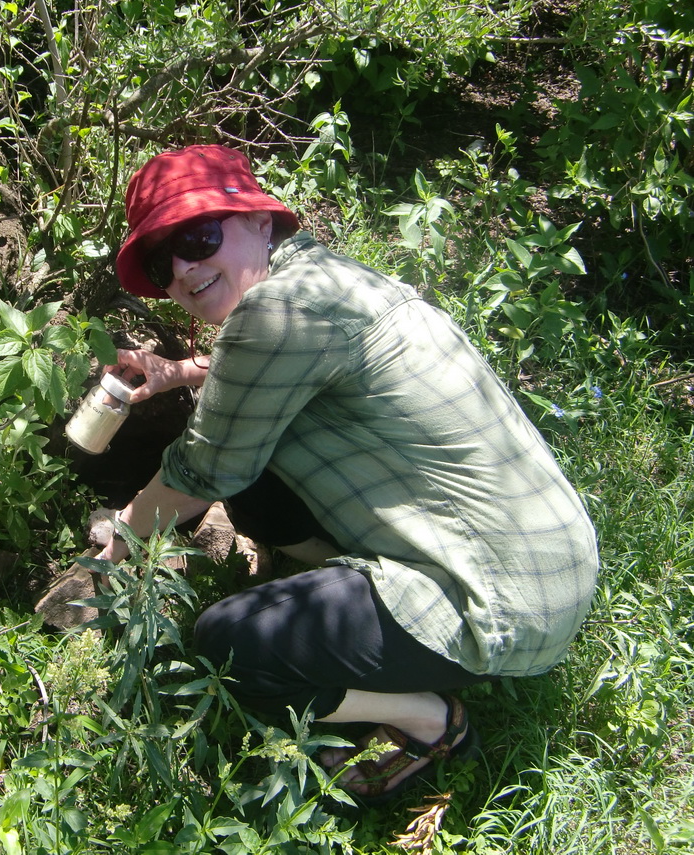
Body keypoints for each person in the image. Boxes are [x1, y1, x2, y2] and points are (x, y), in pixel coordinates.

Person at [89, 144, 599, 803]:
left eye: (198, 235)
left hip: (500, 597)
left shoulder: (273, 315)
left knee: (231, 646)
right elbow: (262, 386)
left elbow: (203, 469)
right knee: (259, 473)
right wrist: (179, 373)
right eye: (164, 260)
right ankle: (341, 595)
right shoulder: (319, 283)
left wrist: (122, 532)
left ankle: (430, 720)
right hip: (547, 559)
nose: (184, 268)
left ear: (259, 221)